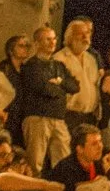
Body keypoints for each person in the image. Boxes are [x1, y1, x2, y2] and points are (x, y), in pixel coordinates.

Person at [17, 23, 77, 172]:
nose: (52, 42)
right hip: (38, 117)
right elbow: (43, 88)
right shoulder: (31, 66)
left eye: (54, 39)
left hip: (58, 118)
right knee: (35, 162)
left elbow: (74, 86)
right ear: (37, 43)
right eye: (47, 39)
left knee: (64, 161)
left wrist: (59, 82)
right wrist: (61, 88)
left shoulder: (59, 65)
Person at [56, 18, 102, 133]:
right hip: (69, 116)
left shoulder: (91, 59)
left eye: (87, 33)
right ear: (70, 37)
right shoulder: (60, 59)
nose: (85, 37)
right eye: (80, 34)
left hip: (89, 116)